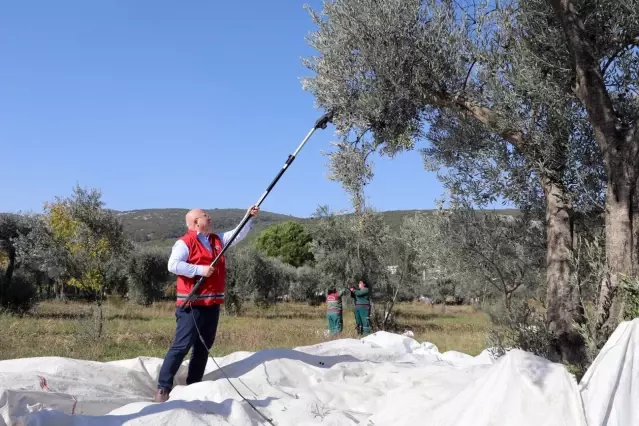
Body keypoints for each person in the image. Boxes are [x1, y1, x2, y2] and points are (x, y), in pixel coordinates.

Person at [154, 205, 259, 403]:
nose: (209, 218)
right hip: (192, 305)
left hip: (212, 304)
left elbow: (237, 234)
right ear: (195, 223)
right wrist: (200, 270)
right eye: (205, 216)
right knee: (182, 345)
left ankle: (193, 383)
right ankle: (163, 388)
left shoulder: (217, 239)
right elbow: (173, 265)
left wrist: (249, 217)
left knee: (204, 346)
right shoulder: (184, 243)